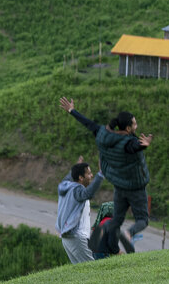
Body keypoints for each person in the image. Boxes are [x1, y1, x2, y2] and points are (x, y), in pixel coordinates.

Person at [59, 97, 153, 254]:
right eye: (134, 124)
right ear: (128, 128)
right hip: (135, 187)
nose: (136, 126)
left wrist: (72, 110)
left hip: (119, 187)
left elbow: (90, 124)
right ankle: (129, 235)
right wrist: (143, 145)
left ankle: (101, 229)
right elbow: (132, 146)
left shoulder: (103, 135)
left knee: (116, 219)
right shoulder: (129, 144)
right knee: (143, 219)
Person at [56, 156, 105, 264]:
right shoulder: (77, 189)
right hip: (77, 237)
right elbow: (88, 193)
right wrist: (101, 174)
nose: (91, 175)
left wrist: (76, 167)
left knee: (82, 271)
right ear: (81, 178)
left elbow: (67, 179)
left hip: (69, 237)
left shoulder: (66, 186)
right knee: (92, 270)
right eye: (88, 173)